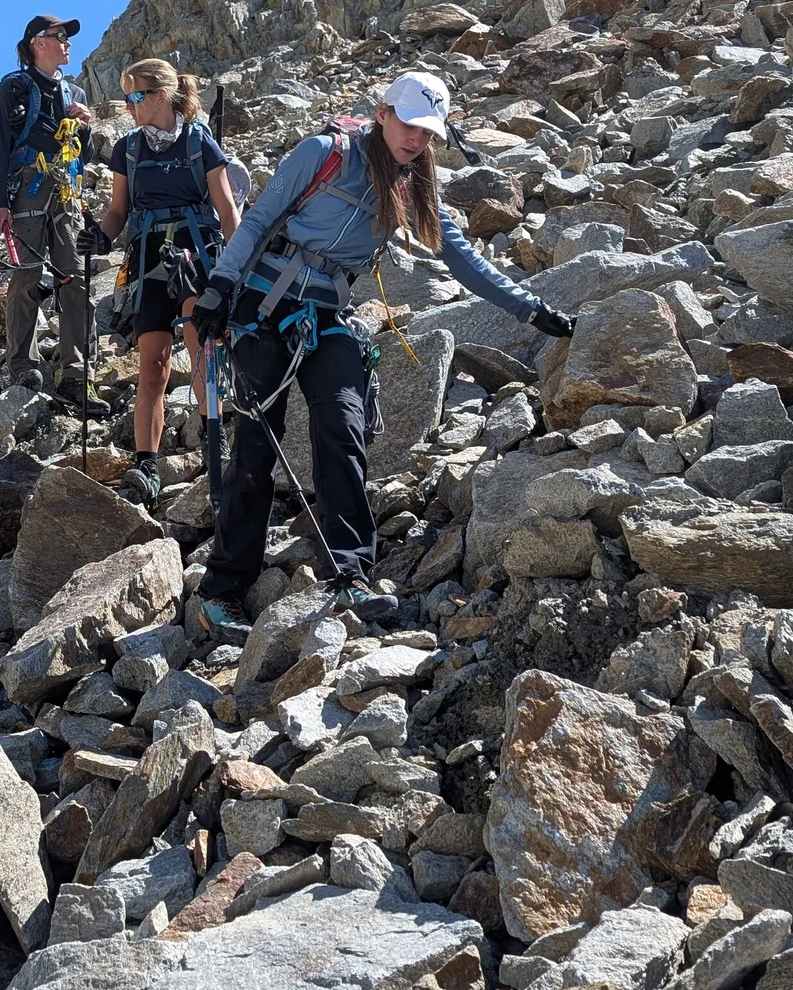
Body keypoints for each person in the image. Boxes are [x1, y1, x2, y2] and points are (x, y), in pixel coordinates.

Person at [190, 69, 575, 627]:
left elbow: (461, 257)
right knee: (257, 442)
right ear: (383, 114)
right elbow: (258, 221)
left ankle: (350, 575)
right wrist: (218, 289)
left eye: (429, 132)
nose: (417, 140)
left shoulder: (413, 186)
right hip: (262, 307)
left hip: (326, 316)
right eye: (410, 125)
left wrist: (530, 309)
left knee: (343, 427)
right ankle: (221, 590)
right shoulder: (323, 152)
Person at [76, 58, 242, 506]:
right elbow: (118, 210)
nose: (129, 105)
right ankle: (146, 464)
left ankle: (215, 446)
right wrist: (101, 237)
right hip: (150, 257)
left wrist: (237, 269)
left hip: (197, 253)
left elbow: (228, 210)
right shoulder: (127, 149)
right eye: (127, 97)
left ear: (162, 95)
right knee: (153, 362)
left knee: (201, 345)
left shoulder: (199, 141)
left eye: (136, 96)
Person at [0, 14, 106, 413]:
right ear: (38, 43)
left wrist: (84, 130)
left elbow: (83, 156)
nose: (67, 44)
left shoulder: (77, 94)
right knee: (26, 275)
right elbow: (0, 144)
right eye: (59, 37)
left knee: (76, 277)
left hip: (67, 195)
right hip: (28, 193)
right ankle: (23, 365)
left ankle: (78, 375)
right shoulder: (14, 88)